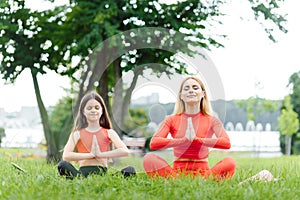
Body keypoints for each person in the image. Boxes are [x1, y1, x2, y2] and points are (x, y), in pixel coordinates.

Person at [143, 76, 236, 180]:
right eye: (186, 89)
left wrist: (197, 140)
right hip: (176, 174)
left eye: (195, 88)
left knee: (230, 162)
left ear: (203, 94)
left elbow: (226, 143)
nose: (191, 91)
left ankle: (204, 181)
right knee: (149, 159)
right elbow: (154, 143)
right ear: (181, 96)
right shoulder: (170, 119)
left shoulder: (212, 120)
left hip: (204, 175)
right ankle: (174, 181)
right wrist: (183, 141)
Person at [58, 91, 136, 179]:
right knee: (62, 165)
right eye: (89, 108)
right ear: (83, 111)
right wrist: (90, 155)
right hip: (82, 175)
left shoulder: (109, 132)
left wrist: (100, 154)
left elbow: (125, 151)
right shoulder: (77, 134)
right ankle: (78, 179)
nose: (93, 110)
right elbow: (66, 156)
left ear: (102, 110)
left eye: (97, 107)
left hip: (103, 176)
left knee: (130, 170)